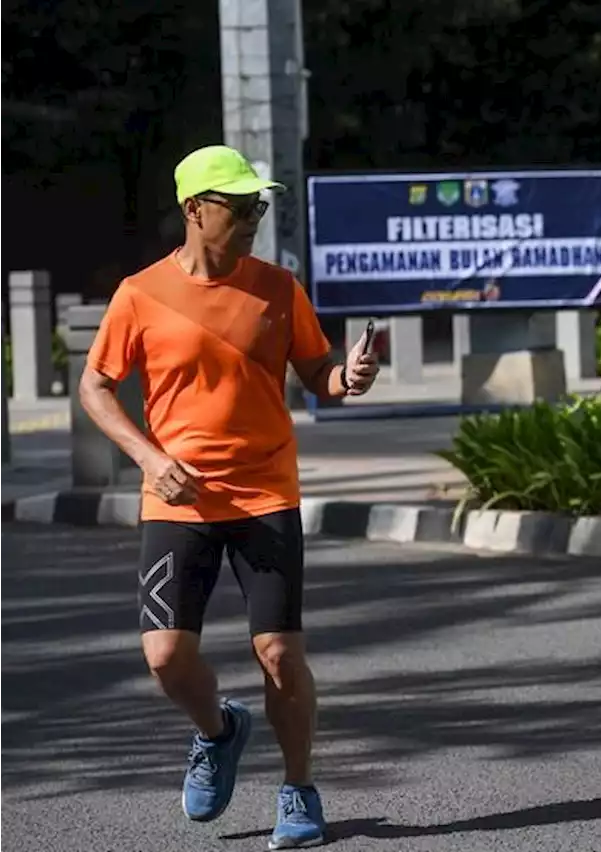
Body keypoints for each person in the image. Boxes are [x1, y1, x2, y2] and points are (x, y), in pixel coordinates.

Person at [78, 144, 380, 848]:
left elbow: (318, 373)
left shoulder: (278, 288)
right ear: (194, 209)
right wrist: (149, 458)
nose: (253, 220)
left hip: (265, 494)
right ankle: (219, 730)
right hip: (177, 501)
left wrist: (350, 379)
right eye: (240, 207)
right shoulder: (140, 293)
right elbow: (95, 387)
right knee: (164, 658)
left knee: (278, 651)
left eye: (258, 207)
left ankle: (299, 790)